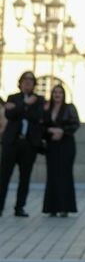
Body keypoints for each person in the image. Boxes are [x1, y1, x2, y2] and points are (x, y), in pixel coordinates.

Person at [1, 72, 46, 216]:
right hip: (11, 143)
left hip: (29, 144)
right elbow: (9, 115)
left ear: (34, 84)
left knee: (25, 177)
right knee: (4, 176)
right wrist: (25, 104)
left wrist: (17, 108)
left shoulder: (39, 100)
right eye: (25, 80)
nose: (27, 82)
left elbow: (37, 117)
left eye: (30, 80)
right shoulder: (13, 97)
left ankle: (19, 207)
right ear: (20, 83)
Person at [41, 80, 80, 216]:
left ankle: (64, 208)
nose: (57, 95)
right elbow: (41, 126)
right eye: (55, 92)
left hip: (66, 145)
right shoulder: (47, 109)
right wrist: (50, 131)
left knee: (65, 175)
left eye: (60, 92)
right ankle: (52, 208)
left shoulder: (69, 108)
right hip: (52, 146)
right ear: (52, 95)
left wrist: (62, 131)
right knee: (52, 175)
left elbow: (75, 124)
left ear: (64, 95)